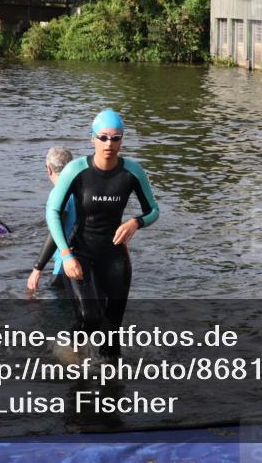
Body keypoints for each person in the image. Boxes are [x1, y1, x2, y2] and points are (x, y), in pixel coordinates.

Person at [45, 109, 159, 356]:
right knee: (90, 317)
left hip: (115, 257)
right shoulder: (76, 170)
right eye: (103, 137)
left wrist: (135, 223)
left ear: (122, 140)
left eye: (116, 138)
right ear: (93, 138)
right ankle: (65, 347)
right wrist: (65, 255)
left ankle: (112, 388)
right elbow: (52, 212)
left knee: (112, 333)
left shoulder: (132, 172)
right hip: (80, 253)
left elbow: (153, 210)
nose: (109, 143)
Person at [27, 147, 76, 292]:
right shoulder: (83, 188)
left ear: (49, 169)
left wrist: (37, 269)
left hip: (66, 264)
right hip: (88, 260)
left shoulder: (59, 193)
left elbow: (56, 230)